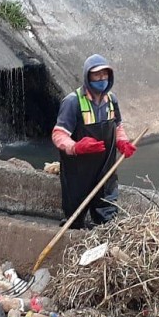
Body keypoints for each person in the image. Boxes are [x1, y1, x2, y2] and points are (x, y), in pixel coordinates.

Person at [51, 54, 136, 229]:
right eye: (97, 75)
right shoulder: (73, 102)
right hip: (78, 172)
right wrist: (76, 147)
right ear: (87, 76)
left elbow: (118, 126)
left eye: (105, 74)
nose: (101, 79)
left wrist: (123, 142)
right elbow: (58, 134)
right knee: (74, 217)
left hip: (105, 168)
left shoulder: (111, 100)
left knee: (107, 217)